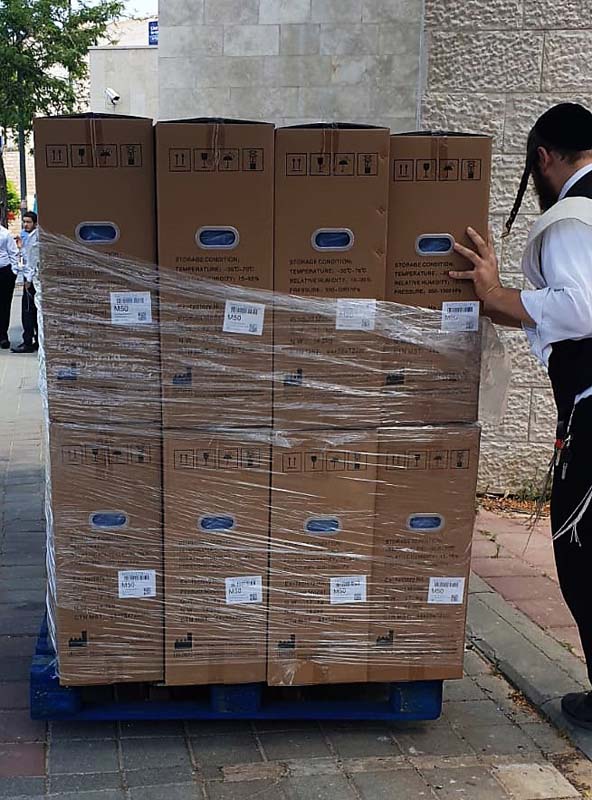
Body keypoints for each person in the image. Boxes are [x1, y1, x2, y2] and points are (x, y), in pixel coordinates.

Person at [451, 102, 592, 729]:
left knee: (582, 552)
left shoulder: (572, 218)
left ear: (543, 157)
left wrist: (493, 294)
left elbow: (579, 309)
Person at [11, 211, 39, 353]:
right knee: (32, 311)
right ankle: (35, 340)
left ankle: (28, 341)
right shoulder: (28, 236)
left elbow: (32, 261)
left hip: (31, 280)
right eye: (24, 222)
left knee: (28, 311)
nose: (25, 224)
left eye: (28, 222)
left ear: (35, 223)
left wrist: (28, 280)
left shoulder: (34, 238)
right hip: (31, 278)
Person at [0, 221, 19, 349]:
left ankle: (3, 336)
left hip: (4, 272)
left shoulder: (5, 234)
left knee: (4, 305)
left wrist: (14, 272)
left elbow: (13, 253)